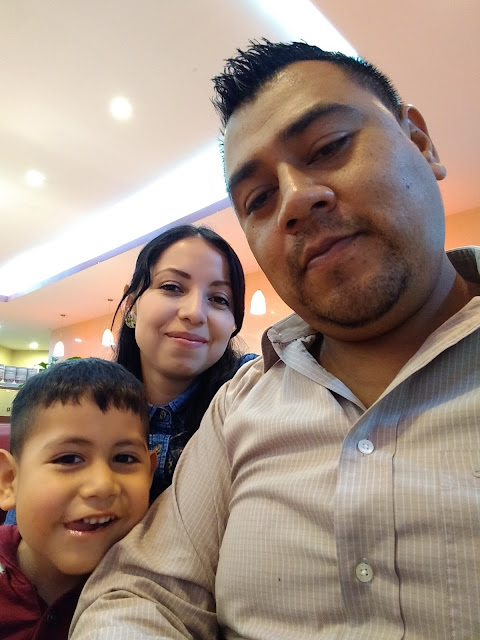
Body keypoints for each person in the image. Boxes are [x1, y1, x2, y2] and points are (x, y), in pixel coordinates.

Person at [70, 40, 480, 639]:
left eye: (329, 147)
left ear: (421, 142)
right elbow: (142, 593)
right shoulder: (240, 407)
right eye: (259, 199)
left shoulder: (222, 398)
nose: (294, 199)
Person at [0, 358, 156, 640]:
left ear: (149, 474)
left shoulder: (160, 592)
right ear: (10, 480)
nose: (102, 486)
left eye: (124, 458)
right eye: (69, 458)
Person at [113, 223, 256, 499]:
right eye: (172, 287)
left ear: (233, 323)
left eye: (219, 299)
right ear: (131, 305)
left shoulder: (254, 389)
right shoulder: (84, 401)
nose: (195, 313)